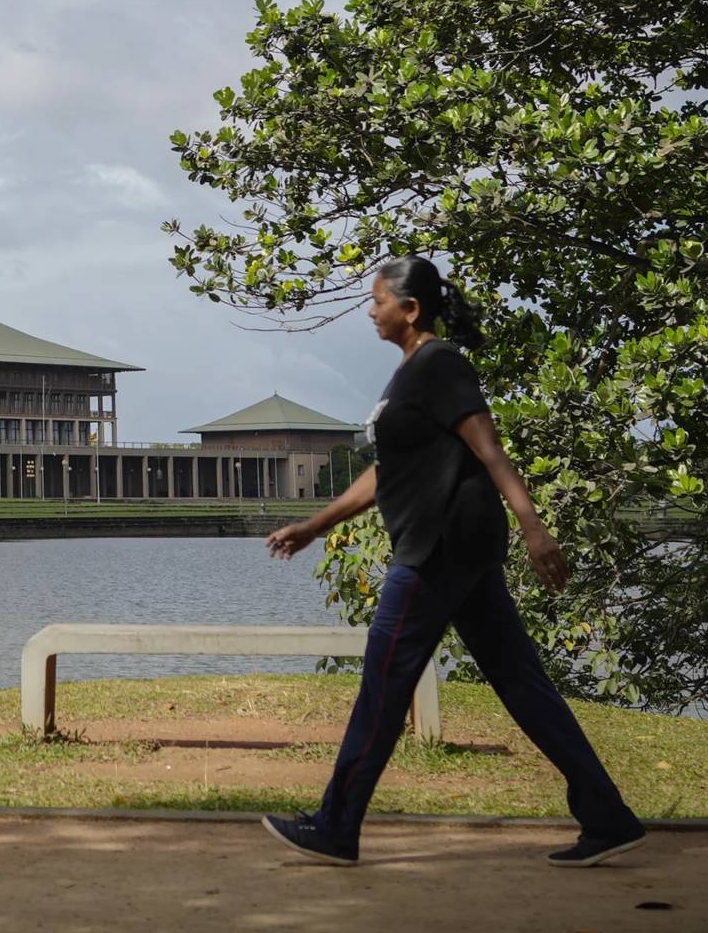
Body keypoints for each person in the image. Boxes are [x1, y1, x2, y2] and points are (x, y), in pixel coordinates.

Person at [262, 255, 645, 869]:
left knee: (382, 685)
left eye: (378, 300)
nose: (370, 310)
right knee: (521, 682)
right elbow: (388, 472)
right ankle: (607, 815)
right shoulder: (412, 374)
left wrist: (535, 529)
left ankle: (336, 827)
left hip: (436, 552)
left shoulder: (440, 365)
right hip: (457, 553)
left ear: (410, 309)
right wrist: (314, 526)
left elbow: (489, 450)